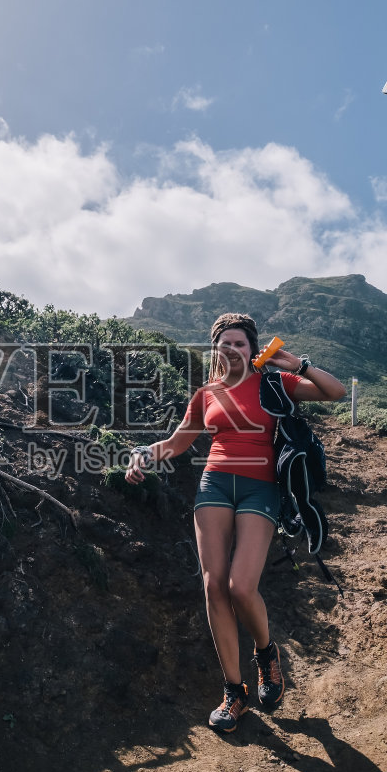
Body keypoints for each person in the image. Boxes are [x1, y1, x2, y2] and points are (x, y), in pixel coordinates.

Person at [126, 313, 346, 732]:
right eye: (223, 343)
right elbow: (175, 443)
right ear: (215, 350)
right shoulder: (206, 393)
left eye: (240, 344)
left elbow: (334, 392)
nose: (231, 350)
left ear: (252, 349)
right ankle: (234, 692)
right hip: (213, 485)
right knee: (213, 585)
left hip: (260, 488)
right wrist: (140, 454)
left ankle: (266, 655)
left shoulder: (274, 385)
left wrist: (293, 362)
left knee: (240, 587)